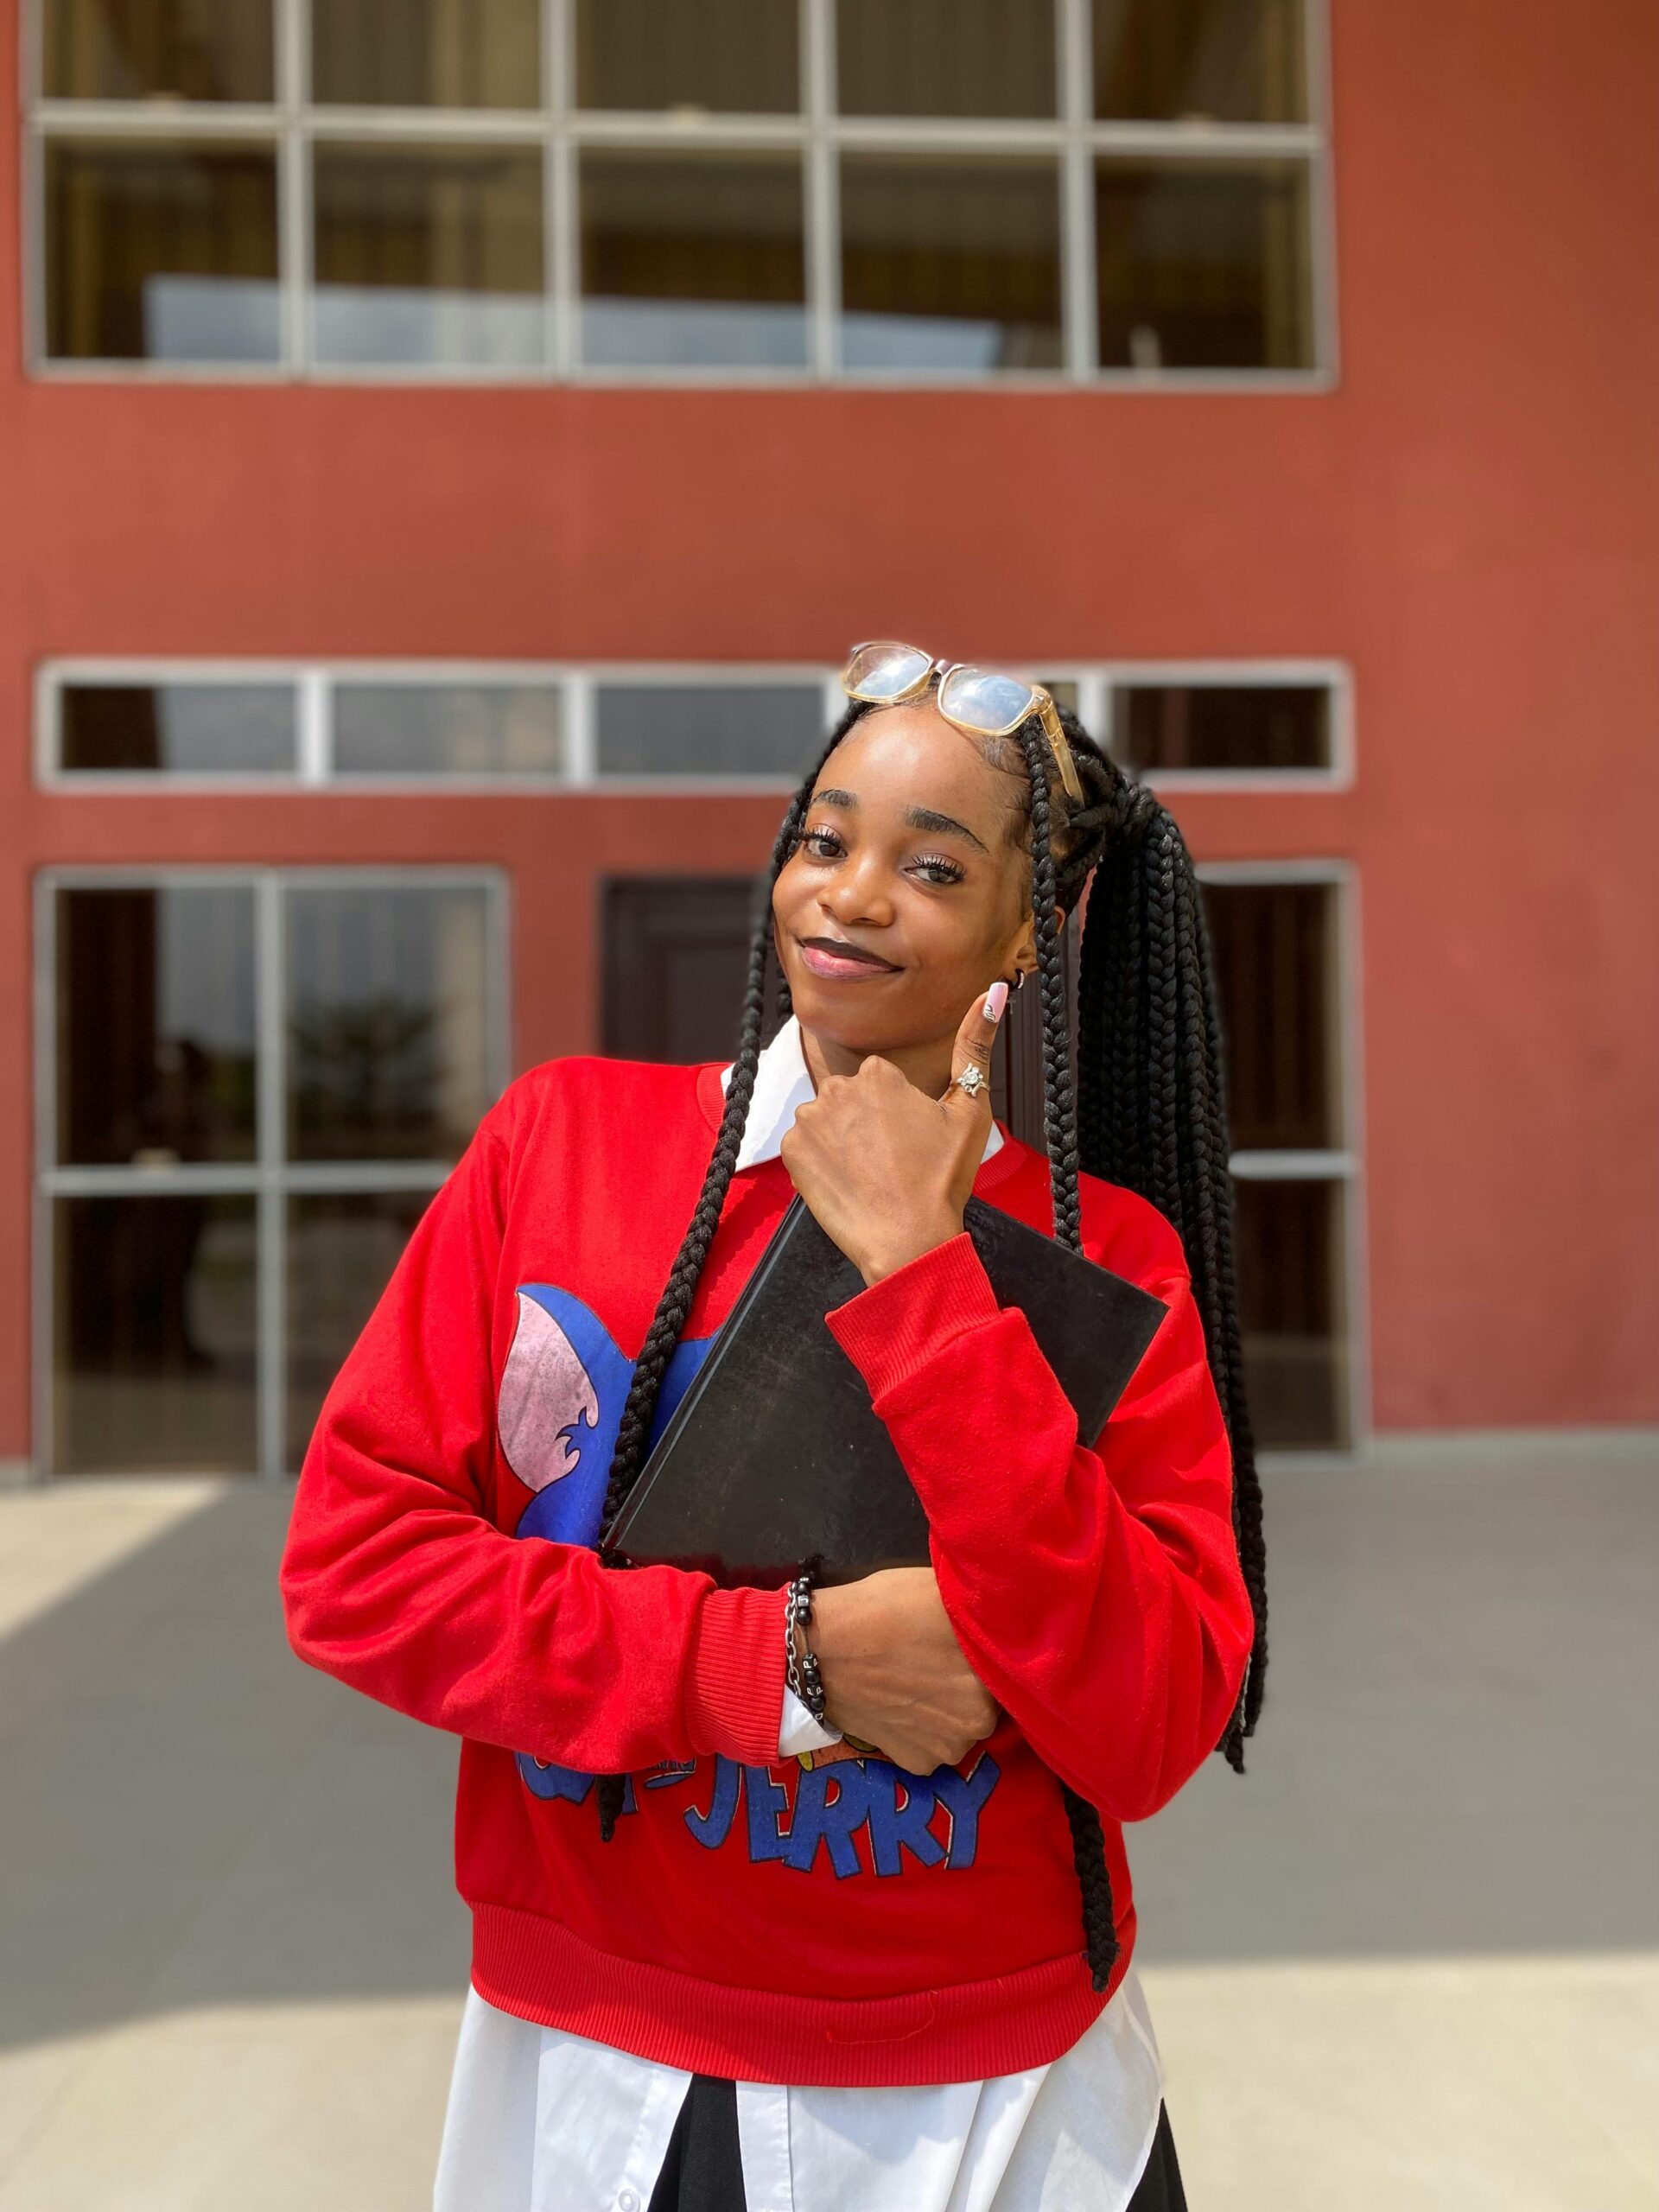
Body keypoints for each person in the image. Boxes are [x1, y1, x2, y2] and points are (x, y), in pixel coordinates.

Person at [280, 642, 1268, 2211]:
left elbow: (1150, 1721)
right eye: (826, 839)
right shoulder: (565, 1145)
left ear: (1028, 930)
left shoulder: (1110, 1258)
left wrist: (926, 1275)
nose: (851, 893)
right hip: (609, 2056)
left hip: (1001, 2092)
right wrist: (787, 1669)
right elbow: (356, 1574)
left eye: (930, 865)